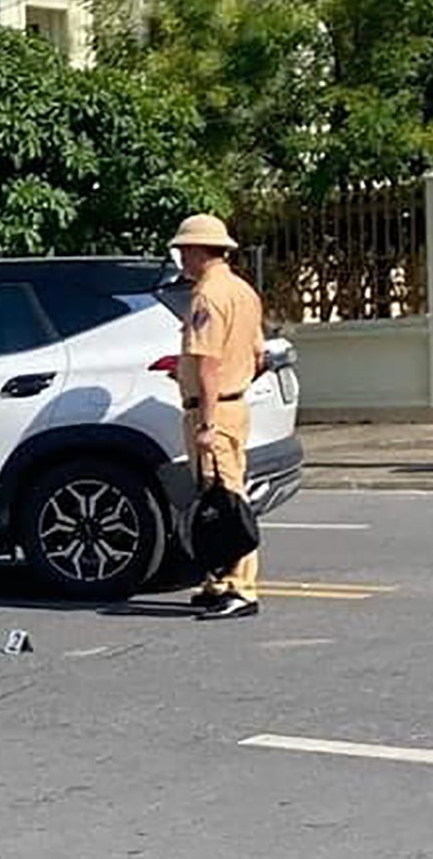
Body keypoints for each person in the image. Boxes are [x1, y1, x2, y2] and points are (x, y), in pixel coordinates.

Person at [172, 214, 266, 620]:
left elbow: (207, 364)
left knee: (226, 500)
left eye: (184, 251)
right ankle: (220, 581)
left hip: (212, 411)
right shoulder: (243, 291)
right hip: (233, 404)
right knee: (217, 495)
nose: (182, 259)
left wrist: (207, 423)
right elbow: (258, 355)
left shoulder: (207, 297)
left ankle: (241, 588)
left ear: (198, 251)